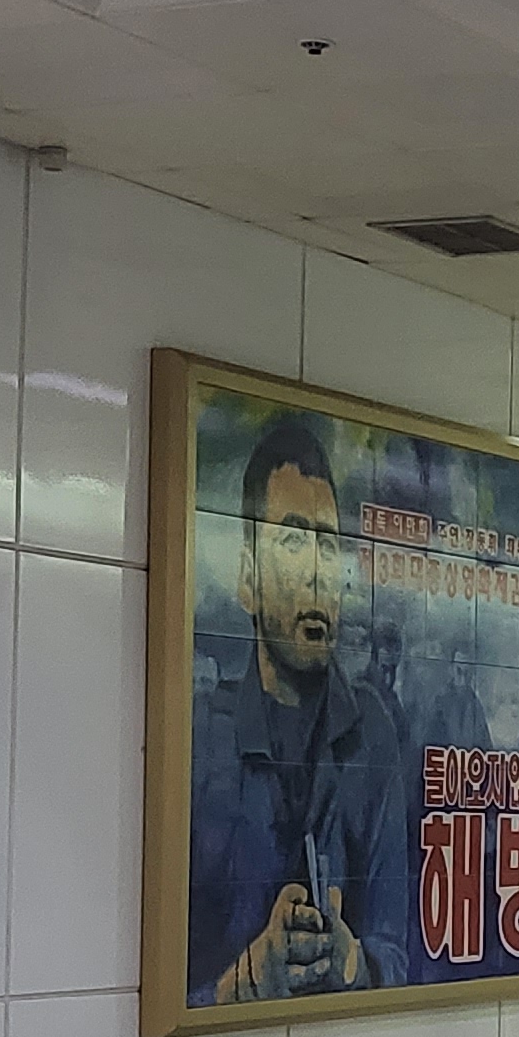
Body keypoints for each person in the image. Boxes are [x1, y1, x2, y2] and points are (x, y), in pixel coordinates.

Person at [186, 411, 414, 1005]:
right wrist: (242, 985)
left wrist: (352, 963)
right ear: (248, 579)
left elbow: (399, 953)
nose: (316, 571)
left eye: (328, 545)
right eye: (291, 541)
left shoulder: (373, 734)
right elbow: (158, 979)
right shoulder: (200, 739)